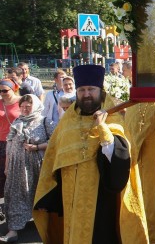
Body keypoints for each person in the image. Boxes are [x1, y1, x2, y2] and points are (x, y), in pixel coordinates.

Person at [34, 65, 146, 243]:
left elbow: (121, 159)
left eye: (91, 90)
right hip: (70, 199)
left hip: (102, 196)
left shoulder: (113, 119)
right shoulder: (67, 123)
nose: (86, 94)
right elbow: (53, 159)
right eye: (82, 90)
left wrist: (103, 130)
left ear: (100, 91)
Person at [2, 95, 50, 243]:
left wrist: (37, 147)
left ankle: (46, 228)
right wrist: (7, 165)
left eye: (28, 106)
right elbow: (9, 145)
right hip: (16, 167)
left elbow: (54, 142)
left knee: (38, 195)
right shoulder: (17, 121)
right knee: (16, 195)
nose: (24, 109)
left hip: (37, 166)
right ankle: (13, 231)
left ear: (35, 106)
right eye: (22, 106)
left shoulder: (44, 121)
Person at [0, 80, 20, 223]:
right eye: (0, 91)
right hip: (0, 143)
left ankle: (15, 210)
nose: (2, 94)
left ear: (14, 89)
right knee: (1, 177)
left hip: (16, 143)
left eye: (5, 90)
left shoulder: (23, 101)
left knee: (13, 177)